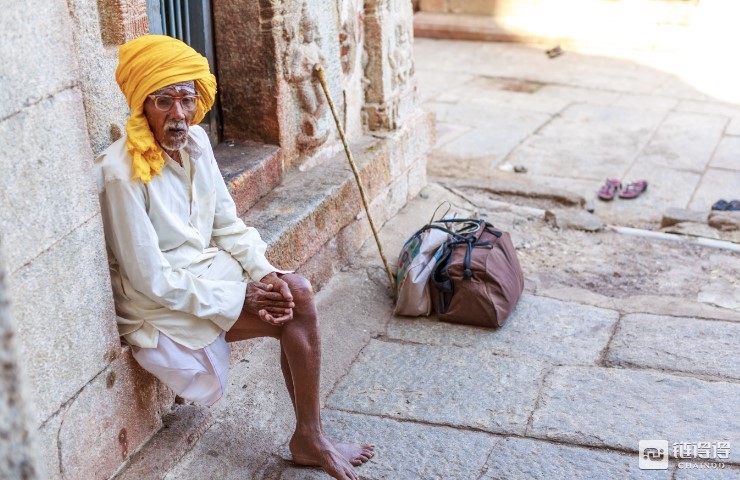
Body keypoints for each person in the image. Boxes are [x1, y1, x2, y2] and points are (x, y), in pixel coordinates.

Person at [95, 35, 373, 480]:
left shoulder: (198, 143)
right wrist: (242, 296)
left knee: (292, 290)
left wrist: (267, 274)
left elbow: (227, 225)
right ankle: (310, 438)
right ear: (140, 105)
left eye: (186, 98)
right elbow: (150, 281)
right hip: (156, 304)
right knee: (295, 305)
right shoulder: (119, 172)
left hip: (204, 272)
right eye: (163, 101)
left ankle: (309, 435)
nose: (178, 114)